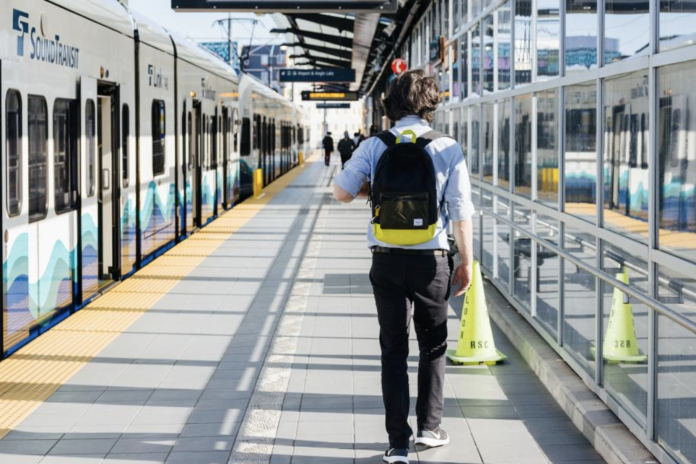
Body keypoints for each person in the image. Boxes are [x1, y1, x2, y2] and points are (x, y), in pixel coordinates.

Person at [332, 70, 475, 464]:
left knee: (393, 349)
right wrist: (467, 262)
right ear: (431, 104)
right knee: (433, 346)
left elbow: (341, 192)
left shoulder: (374, 145)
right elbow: (461, 212)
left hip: (386, 262)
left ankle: (397, 443)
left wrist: (371, 189)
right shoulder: (446, 146)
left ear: (390, 105)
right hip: (432, 262)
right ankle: (430, 429)